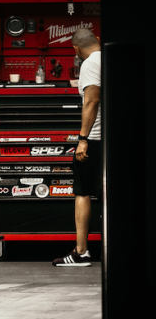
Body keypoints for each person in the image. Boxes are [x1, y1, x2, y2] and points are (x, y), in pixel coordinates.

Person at [52, 27, 101, 267]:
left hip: (95, 138)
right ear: (98, 40)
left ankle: (81, 252)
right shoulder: (110, 59)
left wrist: (83, 139)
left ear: (75, 49)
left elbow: (91, 102)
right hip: (113, 140)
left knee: (82, 191)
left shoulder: (91, 63)